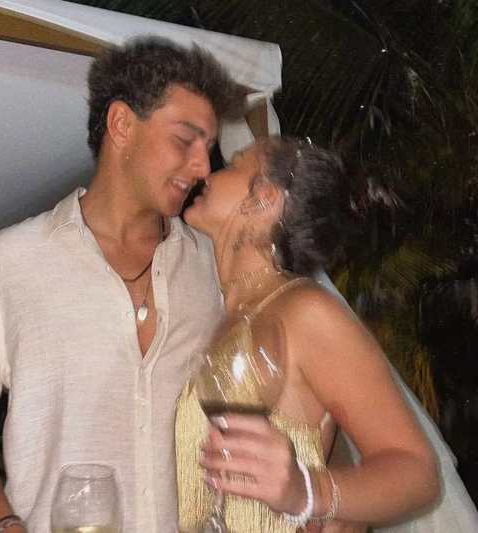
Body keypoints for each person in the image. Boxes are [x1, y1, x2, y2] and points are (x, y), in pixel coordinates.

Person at [0, 37, 244, 533]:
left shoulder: (213, 263)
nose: (203, 167)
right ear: (121, 124)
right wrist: (1, 525)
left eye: (208, 149)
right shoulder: (12, 260)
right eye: (185, 141)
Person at [175, 136, 443, 531]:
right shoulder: (219, 315)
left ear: (264, 198)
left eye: (233, 164)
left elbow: (418, 473)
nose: (209, 174)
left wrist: (308, 491)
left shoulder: (305, 312)